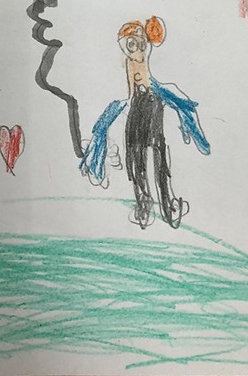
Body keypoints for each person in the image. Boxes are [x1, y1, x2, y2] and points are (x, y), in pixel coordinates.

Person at [80, 17, 210, 228]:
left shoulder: (142, 57)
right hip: (136, 105)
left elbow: (149, 83)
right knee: (135, 155)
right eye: (129, 44)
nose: (135, 49)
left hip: (150, 102)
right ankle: (144, 203)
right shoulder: (127, 61)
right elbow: (129, 89)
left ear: (145, 44)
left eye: (138, 44)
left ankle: (166, 204)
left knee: (157, 155)